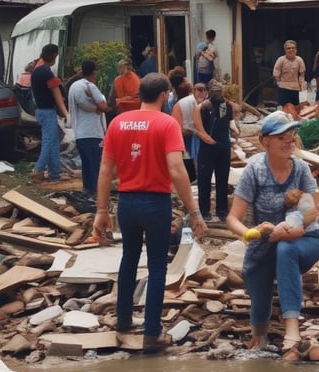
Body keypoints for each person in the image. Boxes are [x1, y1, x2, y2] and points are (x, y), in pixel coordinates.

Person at [93, 73, 207, 352]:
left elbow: (106, 169)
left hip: (126, 203)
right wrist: (194, 211)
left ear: (140, 94)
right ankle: (152, 333)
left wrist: (101, 209)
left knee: (129, 260)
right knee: (157, 266)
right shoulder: (167, 124)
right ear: (165, 95)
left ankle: (123, 323)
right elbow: (176, 169)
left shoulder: (118, 122)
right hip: (156, 203)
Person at [226, 110, 319, 355]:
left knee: (286, 250)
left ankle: (292, 330)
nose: (289, 141)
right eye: (281, 137)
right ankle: (259, 340)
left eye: (291, 135)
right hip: (265, 241)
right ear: (265, 141)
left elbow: (310, 213)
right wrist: (252, 233)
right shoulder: (255, 170)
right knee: (256, 283)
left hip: (309, 238)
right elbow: (232, 219)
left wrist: (293, 230)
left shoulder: (301, 169)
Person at [193, 80, 240, 222]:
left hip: (223, 145)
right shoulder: (203, 107)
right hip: (207, 147)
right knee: (204, 179)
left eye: (219, 91)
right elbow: (198, 127)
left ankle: (222, 210)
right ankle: (204, 211)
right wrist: (206, 138)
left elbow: (230, 121)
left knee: (223, 179)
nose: (217, 94)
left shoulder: (226, 106)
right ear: (209, 92)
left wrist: (235, 130)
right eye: (214, 91)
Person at [68, 60, 111, 194]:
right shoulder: (90, 86)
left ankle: (88, 190)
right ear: (94, 73)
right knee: (95, 165)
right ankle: (96, 192)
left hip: (79, 132)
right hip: (93, 132)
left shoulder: (74, 86)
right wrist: (98, 104)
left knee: (87, 165)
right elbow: (104, 107)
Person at [30, 43, 69, 183]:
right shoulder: (46, 72)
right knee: (49, 142)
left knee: (54, 142)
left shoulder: (37, 70)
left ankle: (54, 174)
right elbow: (58, 96)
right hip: (47, 112)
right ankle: (38, 170)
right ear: (54, 55)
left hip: (41, 111)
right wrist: (67, 114)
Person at [171, 81, 207, 182]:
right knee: (188, 156)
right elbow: (181, 128)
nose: (201, 93)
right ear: (194, 91)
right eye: (199, 90)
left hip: (195, 133)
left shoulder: (206, 103)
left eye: (203, 90)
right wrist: (197, 133)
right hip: (184, 134)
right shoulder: (185, 104)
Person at [273, 40, 306, 118]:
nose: (291, 50)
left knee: (296, 109)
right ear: (285, 50)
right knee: (284, 110)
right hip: (283, 88)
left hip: (295, 88)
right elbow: (276, 71)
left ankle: (295, 122)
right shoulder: (281, 59)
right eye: (288, 48)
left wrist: (302, 86)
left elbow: (302, 74)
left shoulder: (299, 60)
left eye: (293, 48)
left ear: (296, 49)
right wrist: (278, 82)